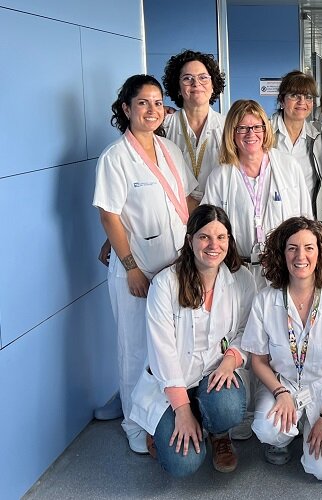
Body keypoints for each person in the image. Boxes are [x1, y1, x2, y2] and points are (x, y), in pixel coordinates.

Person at [93, 74, 197, 453]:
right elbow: (109, 214)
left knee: (169, 347)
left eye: (157, 103)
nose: (152, 110)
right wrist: (131, 267)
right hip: (138, 271)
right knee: (136, 349)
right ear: (126, 108)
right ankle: (136, 427)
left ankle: (163, 417)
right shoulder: (115, 157)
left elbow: (188, 198)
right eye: (142, 103)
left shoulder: (169, 150)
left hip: (174, 267)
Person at [130, 205, 253, 476]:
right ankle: (174, 420)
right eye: (204, 237)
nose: (213, 245)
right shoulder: (166, 284)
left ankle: (218, 433)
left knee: (228, 408)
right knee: (182, 463)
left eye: (221, 237)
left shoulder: (242, 279)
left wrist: (230, 361)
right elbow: (163, 353)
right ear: (190, 240)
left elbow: (247, 331)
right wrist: (182, 411)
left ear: (229, 241)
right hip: (173, 384)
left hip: (214, 375)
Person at [241, 217, 322, 481]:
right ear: (282, 254)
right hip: (284, 384)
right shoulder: (265, 300)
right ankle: (283, 438)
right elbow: (258, 360)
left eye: (309, 248)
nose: (300, 256)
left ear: (320, 252)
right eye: (292, 248)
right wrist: (280, 392)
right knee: (266, 429)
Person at [201, 99, 313, 290]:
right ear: (232, 133)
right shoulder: (220, 176)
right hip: (237, 271)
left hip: (282, 268)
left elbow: (306, 220)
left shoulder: (289, 166)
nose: (250, 133)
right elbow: (209, 228)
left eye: (256, 127)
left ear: (265, 129)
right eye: (242, 128)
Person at [161, 49, 226, 203]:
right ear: (178, 88)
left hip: (218, 209)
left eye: (203, 77)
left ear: (213, 86)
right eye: (187, 78)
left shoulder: (228, 127)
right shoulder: (163, 126)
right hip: (174, 208)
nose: (196, 83)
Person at [271, 71, 322, 218]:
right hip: (272, 220)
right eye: (294, 95)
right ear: (282, 100)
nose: (302, 102)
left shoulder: (318, 139)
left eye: (308, 97)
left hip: (306, 221)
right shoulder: (265, 135)